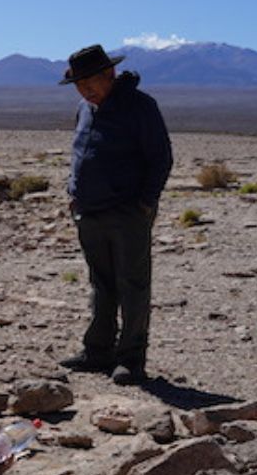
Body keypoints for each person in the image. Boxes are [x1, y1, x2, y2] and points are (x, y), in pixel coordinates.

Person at [58, 44, 173, 385]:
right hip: (89, 210)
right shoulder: (85, 108)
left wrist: (144, 202)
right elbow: (80, 152)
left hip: (127, 212)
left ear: (109, 74)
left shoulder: (139, 106)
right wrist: (73, 192)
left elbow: (161, 158)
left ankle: (131, 360)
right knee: (101, 282)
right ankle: (98, 351)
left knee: (133, 285)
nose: (85, 90)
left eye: (90, 82)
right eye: (79, 84)